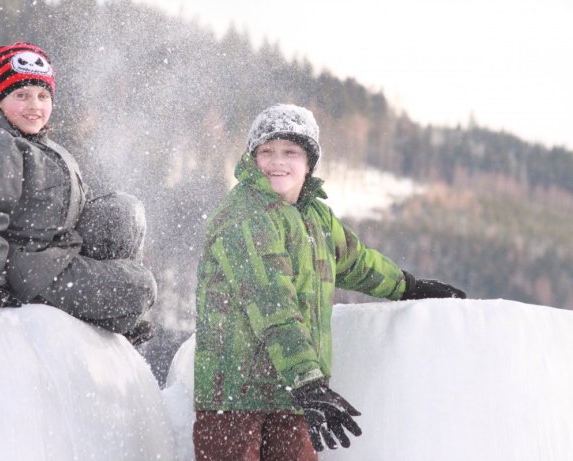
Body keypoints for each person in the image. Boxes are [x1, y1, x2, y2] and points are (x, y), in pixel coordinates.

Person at [193, 104, 466, 460]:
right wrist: (308, 381)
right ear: (252, 159)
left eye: (290, 152)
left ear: (309, 163)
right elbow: (272, 304)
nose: (277, 162)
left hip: (291, 394)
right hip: (233, 397)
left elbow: (354, 260)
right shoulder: (244, 216)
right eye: (266, 152)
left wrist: (406, 287)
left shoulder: (315, 216)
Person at [0, 42, 156, 345]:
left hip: (55, 252)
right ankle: (115, 308)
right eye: (22, 95)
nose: (35, 106)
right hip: (27, 272)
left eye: (43, 96)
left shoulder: (44, 146)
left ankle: (113, 312)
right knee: (140, 288)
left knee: (123, 212)